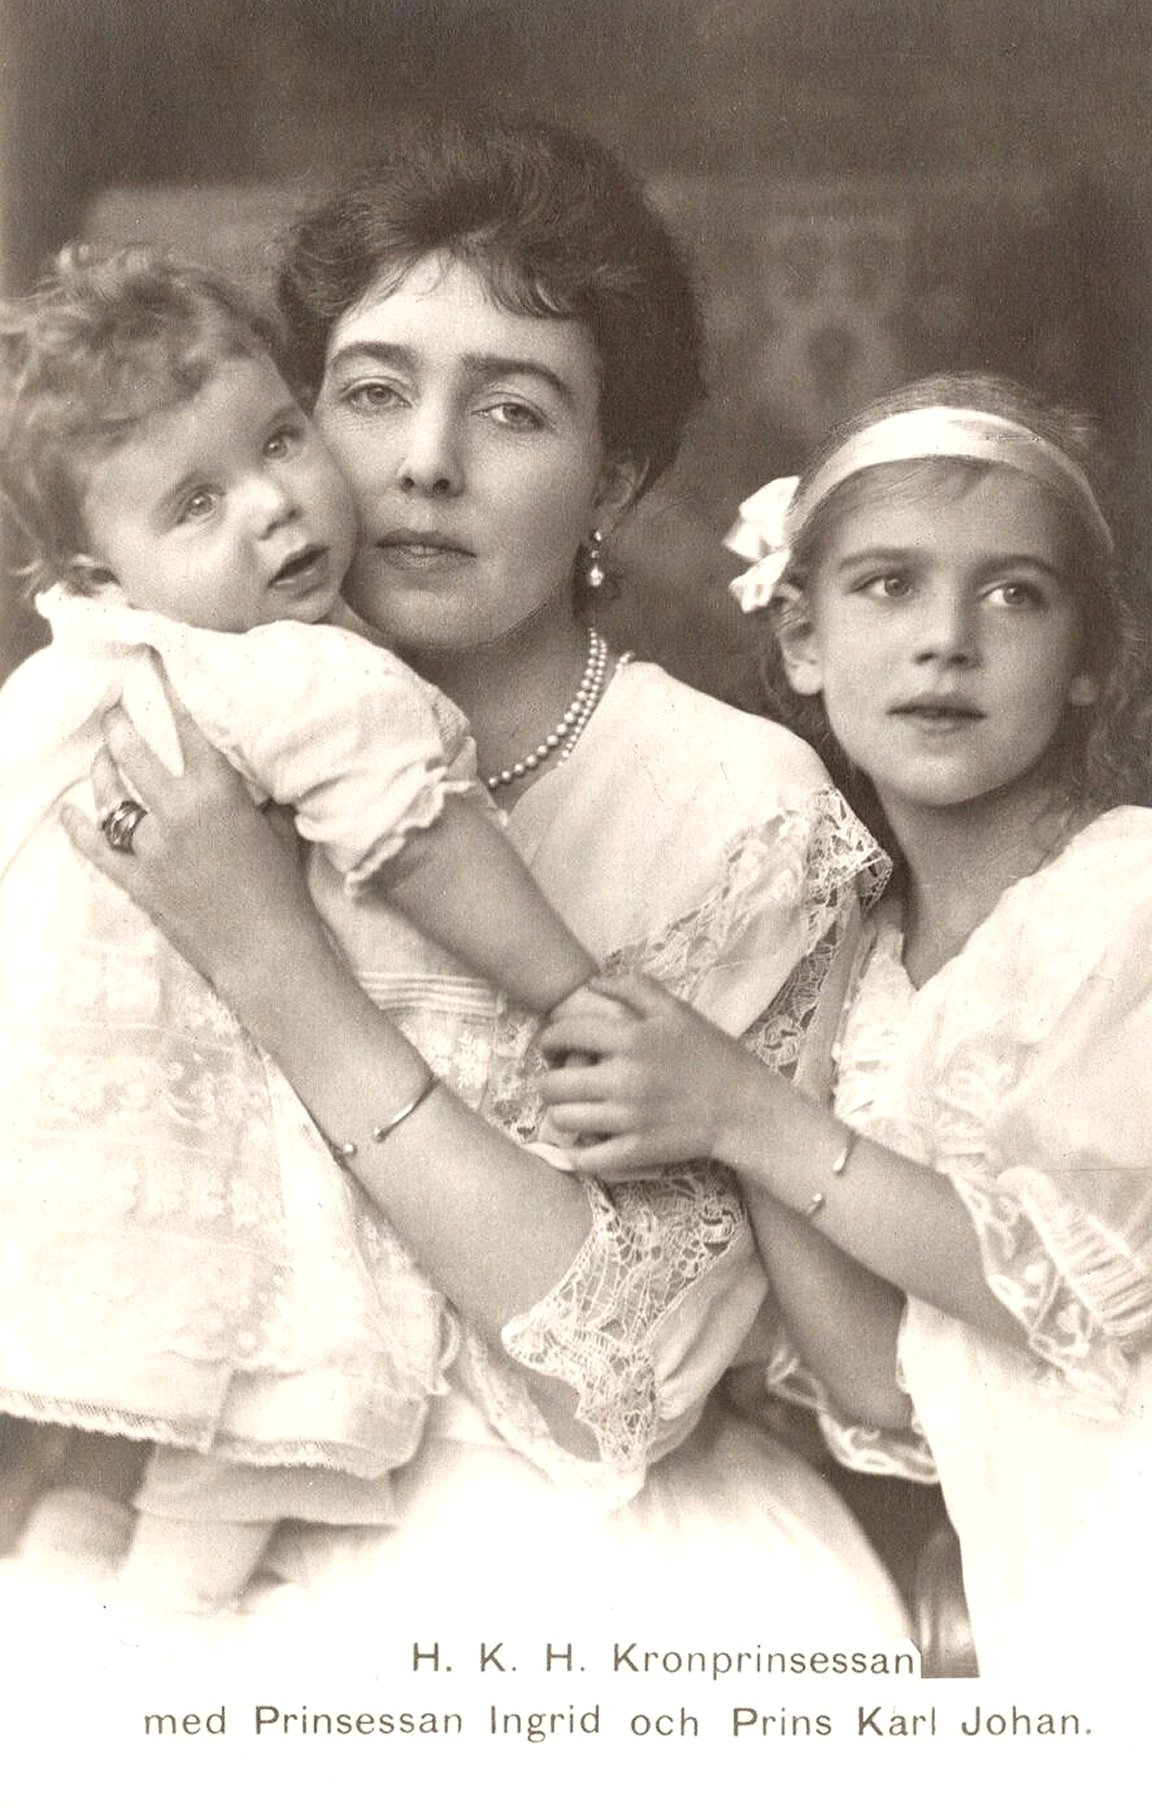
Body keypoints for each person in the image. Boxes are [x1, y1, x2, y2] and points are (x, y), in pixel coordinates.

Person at [32, 117, 912, 1645]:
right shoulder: (175, 736)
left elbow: (622, 1379)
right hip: (179, 1507)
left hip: (567, 1562)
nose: (423, 462)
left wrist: (275, 964)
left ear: (613, 483)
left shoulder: (741, 808)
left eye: (511, 413)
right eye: (370, 395)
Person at [539, 371, 1152, 1679]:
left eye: (1017, 594)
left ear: (1089, 665)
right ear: (802, 636)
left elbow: (1064, 1289)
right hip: (1055, 1599)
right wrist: (764, 1052)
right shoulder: (864, 963)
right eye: (888, 586)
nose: (947, 638)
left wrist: (743, 1107)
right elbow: (882, 1390)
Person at [0, 243, 608, 1613]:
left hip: (63, 1138)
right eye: (198, 504)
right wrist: (572, 989)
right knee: (251, 1405)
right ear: (104, 559)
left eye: (280, 441)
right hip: (185, 1122)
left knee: (104, 1409)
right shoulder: (295, 673)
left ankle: (71, 1572)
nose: (276, 511)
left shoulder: (67, 670)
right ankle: (159, 1639)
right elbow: (428, 842)